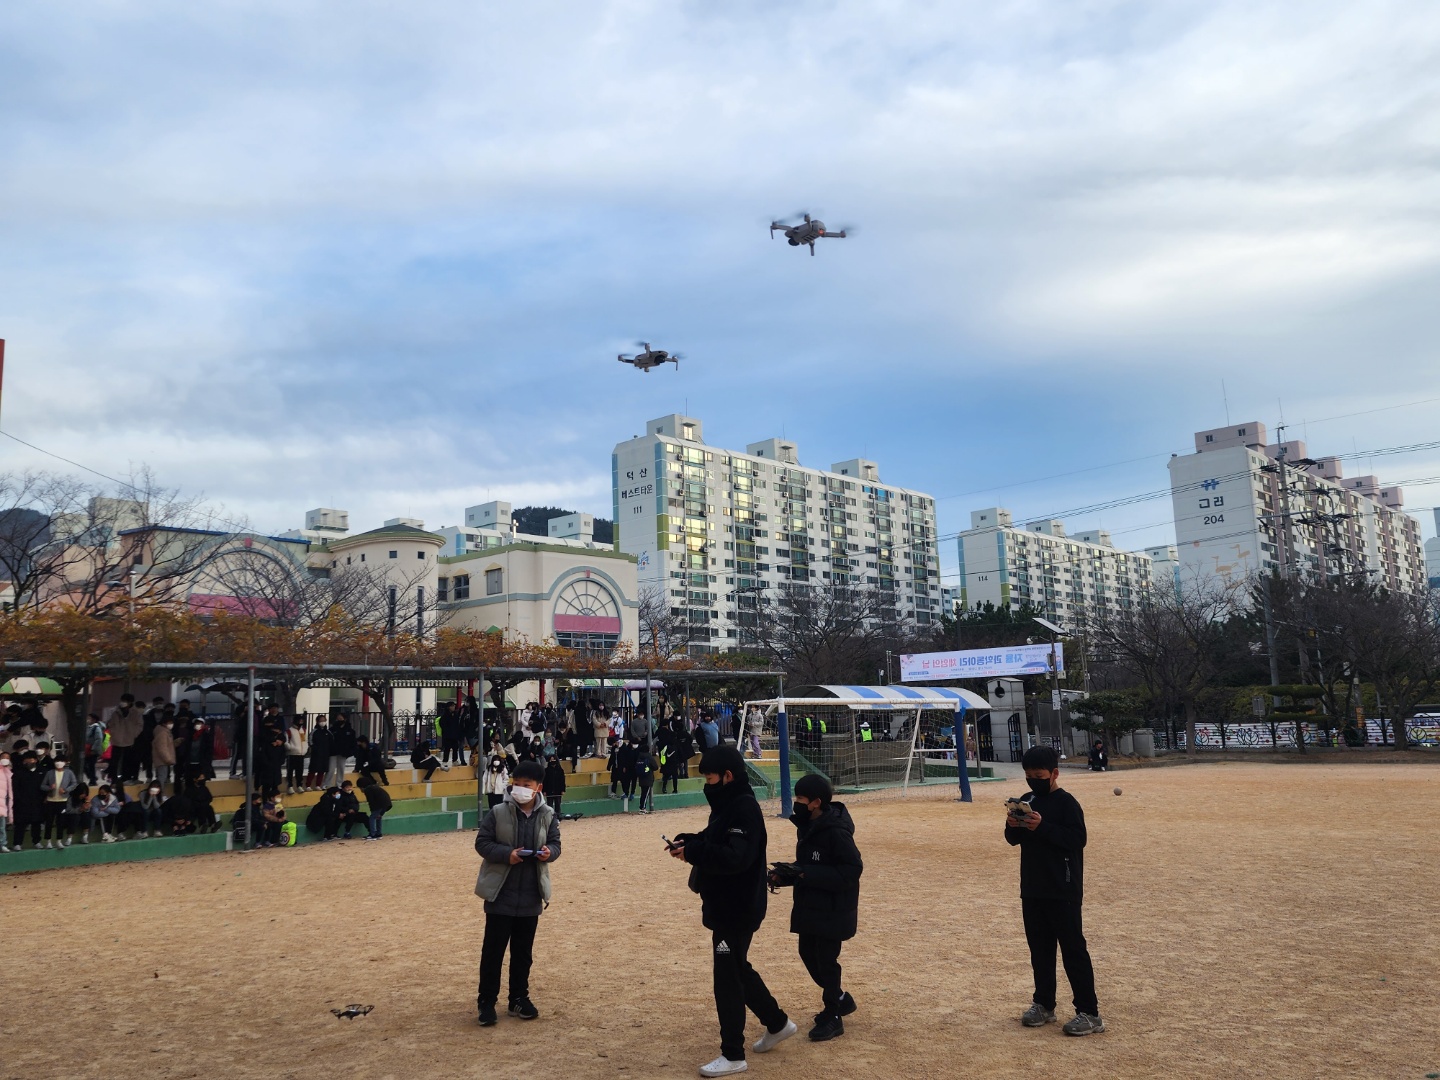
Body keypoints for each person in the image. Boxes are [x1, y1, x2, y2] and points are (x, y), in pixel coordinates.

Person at [669, 746, 796, 1077]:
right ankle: (777, 1022)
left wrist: (696, 851)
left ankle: (733, 1054)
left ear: (727, 776)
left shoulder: (743, 809)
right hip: (727, 904)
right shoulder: (728, 804)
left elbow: (734, 858)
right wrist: (689, 842)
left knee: (727, 977)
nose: (706, 784)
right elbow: (716, 841)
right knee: (737, 967)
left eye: (710, 777)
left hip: (736, 908)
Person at [1005, 745, 1103, 1036]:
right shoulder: (1027, 799)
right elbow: (1012, 839)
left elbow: (1077, 840)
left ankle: (1089, 1012)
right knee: (1040, 949)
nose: (1033, 780)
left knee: (1073, 950)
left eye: (1039, 775)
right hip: (1033, 888)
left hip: (1063, 888)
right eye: (1028, 776)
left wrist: (1042, 826)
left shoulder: (1066, 803)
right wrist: (1014, 824)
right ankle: (1043, 1004)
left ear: (1054, 774)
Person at [771, 774, 862, 1041]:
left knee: (826, 961)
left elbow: (851, 870)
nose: (795, 802)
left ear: (815, 803)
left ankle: (834, 1015)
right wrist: (786, 875)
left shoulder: (835, 831)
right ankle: (842, 999)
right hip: (811, 906)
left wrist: (805, 873)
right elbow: (809, 867)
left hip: (833, 909)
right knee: (808, 955)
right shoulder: (807, 826)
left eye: (800, 798)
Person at [472, 759, 562, 1027]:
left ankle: (518, 998)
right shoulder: (498, 812)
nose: (520, 789)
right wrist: (506, 855)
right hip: (501, 893)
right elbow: (482, 843)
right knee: (493, 952)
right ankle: (486, 1002)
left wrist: (549, 853)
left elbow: (556, 844)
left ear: (538, 788)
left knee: (523, 953)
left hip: (531, 894)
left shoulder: (547, 815)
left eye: (527, 785)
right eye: (517, 784)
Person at [40, 752, 80, 849]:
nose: (59, 763)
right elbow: (42, 786)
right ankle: (48, 841)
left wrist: (66, 790)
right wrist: (50, 788)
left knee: (60, 822)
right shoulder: (50, 773)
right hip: (51, 800)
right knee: (49, 822)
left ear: (65, 762)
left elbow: (74, 783)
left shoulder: (69, 772)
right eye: (57, 761)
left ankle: (59, 840)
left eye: (61, 761)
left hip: (62, 801)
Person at [106, 693, 145, 783]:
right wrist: (113, 733)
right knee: (114, 760)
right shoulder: (115, 712)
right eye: (122, 700)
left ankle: (125, 777)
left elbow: (140, 725)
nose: (123, 703)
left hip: (129, 739)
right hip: (116, 739)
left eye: (125, 701)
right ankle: (113, 778)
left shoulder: (135, 713)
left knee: (127, 760)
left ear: (130, 702)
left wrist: (134, 734)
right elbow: (110, 724)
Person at [10, 751, 44, 850]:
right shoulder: (19, 773)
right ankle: (17, 843)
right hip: (22, 804)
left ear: (36, 760)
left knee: (36, 823)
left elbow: (44, 787)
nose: (29, 761)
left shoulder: (41, 772)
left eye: (31, 759)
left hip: (37, 803)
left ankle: (37, 842)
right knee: (20, 824)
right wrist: (18, 800)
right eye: (26, 759)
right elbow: (15, 788)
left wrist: (42, 799)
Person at [358, 773, 392, 840]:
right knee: (378, 817)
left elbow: (371, 801)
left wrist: (373, 810)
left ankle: (372, 834)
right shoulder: (374, 787)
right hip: (386, 803)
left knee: (372, 818)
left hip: (379, 804)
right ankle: (378, 834)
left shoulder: (368, 790)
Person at [328, 714, 357, 789]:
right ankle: (328, 783)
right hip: (333, 752)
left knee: (341, 768)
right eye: (338, 719)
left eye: (341, 718)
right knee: (331, 768)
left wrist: (350, 751)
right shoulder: (332, 729)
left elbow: (352, 742)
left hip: (343, 752)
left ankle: (339, 783)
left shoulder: (350, 730)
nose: (339, 720)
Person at [151, 713, 177, 793]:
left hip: (161, 760)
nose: (171, 724)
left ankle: (159, 795)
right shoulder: (163, 733)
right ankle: (159, 796)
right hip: (162, 761)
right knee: (161, 779)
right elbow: (162, 748)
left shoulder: (163, 731)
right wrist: (169, 759)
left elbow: (167, 745)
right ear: (164, 722)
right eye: (169, 722)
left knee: (161, 778)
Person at [306, 714, 331, 792]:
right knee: (313, 770)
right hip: (316, 754)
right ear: (317, 721)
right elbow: (310, 741)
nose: (322, 722)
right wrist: (315, 748)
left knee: (322, 770)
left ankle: (318, 785)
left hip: (325, 754)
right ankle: (308, 785)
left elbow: (331, 741)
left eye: (324, 720)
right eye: (321, 720)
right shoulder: (314, 731)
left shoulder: (328, 732)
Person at [285, 716, 308, 794]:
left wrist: (305, 749)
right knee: (290, 771)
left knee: (299, 771)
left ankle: (299, 785)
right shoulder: (289, 731)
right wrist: (291, 748)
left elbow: (305, 741)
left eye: (302, 721)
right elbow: (286, 741)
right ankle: (290, 786)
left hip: (301, 754)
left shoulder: (303, 730)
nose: (300, 722)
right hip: (292, 754)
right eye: (299, 720)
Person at [83, 713, 106, 785]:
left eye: (89, 718)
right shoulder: (89, 727)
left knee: (91, 766)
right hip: (87, 750)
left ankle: (93, 781)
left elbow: (98, 739)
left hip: (92, 751)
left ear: (94, 720)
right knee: (85, 765)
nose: (88, 720)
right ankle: (92, 777)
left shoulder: (96, 728)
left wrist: (93, 749)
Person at [634, 745, 657, 814]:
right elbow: (655, 767)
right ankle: (642, 808)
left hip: (641, 777)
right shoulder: (649, 757)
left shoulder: (639, 757)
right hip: (648, 777)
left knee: (643, 793)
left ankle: (642, 807)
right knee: (645, 794)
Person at [0, 751, 11, 852]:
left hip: (3, 804)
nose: (5, 759)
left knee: (2, 827)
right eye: (3, 757)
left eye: (8, 757)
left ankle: (3, 844)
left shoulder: (9, 772)